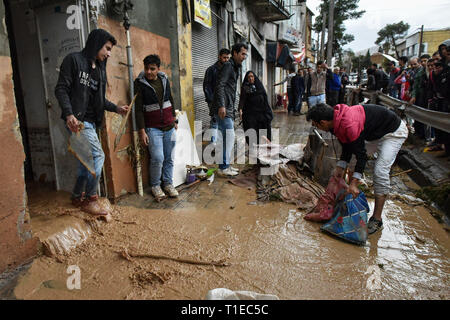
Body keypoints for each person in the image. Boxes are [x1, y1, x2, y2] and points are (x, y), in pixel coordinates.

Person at [55, 29, 129, 215]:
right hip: (78, 121)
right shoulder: (73, 60)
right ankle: (90, 198)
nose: (109, 53)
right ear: (96, 43)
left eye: (110, 50)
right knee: (98, 157)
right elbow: (61, 89)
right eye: (107, 48)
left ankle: (76, 197)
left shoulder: (100, 71)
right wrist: (69, 114)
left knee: (84, 162)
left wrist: (117, 109)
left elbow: (100, 101)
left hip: (92, 123)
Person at [306, 103, 408, 235]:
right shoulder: (335, 123)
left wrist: (354, 183)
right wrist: (340, 167)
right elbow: (348, 146)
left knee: (380, 171)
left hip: (393, 132)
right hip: (374, 134)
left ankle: (377, 219)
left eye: (316, 124)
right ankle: (351, 203)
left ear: (323, 122)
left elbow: (362, 155)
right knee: (352, 161)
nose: (316, 127)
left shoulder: (349, 124)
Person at [134, 54, 179, 200]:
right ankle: (155, 185)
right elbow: (138, 110)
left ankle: (168, 184)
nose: (148, 72)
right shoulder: (139, 84)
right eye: (146, 68)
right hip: (153, 128)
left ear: (158, 69)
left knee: (169, 157)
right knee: (158, 158)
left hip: (169, 126)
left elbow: (170, 99)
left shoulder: (164, 80)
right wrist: (142, 131)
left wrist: (174, 119)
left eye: (152, 69)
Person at [212, 43, 248, 176]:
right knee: (229, 136)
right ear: (235, 53)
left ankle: (226, 165)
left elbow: (231, 89)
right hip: (224, 108)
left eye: (245, 54)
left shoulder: (235, 67)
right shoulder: (228, 66)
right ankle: (223, 167)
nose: (244, 57)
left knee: (227, 138)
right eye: (242, 54)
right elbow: (220, 85)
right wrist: (222, 105)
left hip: (229, 107)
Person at [238, 71, 273, 160]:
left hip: (261, 115)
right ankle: (254, 154)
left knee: (264, 135)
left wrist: (268, 113)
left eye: (252, 76)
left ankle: (264, 155)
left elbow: (265, 100)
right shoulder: (245, 88)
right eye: (249, 77)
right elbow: (242, 99)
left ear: (255, 77)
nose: (250, 78)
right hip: (250, 116)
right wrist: (240, 110)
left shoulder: (259, 86)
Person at [203, 48, 231, 144]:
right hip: (214, 101)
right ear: (219, 56)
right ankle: (213, 144)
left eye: (228, 58)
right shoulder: (211, 70)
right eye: (224, 58)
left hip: (224, 101)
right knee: (215, 121)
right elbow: (206, 86)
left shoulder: (228, 69)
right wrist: (211, 101)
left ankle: (220, 143)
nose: (226, 60)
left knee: (223, 122)